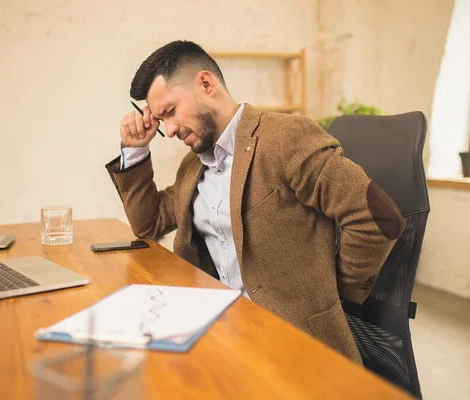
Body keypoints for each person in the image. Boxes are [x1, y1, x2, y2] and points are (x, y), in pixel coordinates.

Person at [105, 40, 404, 363]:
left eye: (171, 112)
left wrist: (335, 292)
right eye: (162, 121)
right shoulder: (193, 166)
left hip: (290, 346)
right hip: (216, 334)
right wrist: (135, 150)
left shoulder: (285, 138)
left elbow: (376, 215)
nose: (171, 129)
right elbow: (148, 223)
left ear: (206, 84)